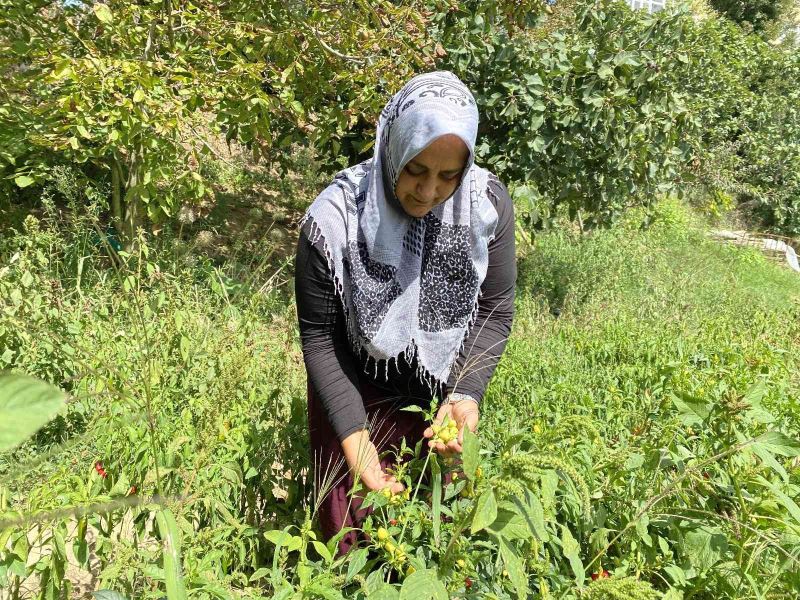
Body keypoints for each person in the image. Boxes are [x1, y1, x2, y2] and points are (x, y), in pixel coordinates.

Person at [294, 71, 516, 555]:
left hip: (437, 394)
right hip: (352, 387)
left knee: (425, 539)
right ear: (393, 146)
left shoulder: (486, 206)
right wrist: (354, 437)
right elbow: (319, 336)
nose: (429, 191)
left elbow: (494, 312)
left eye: (448, 175)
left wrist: (465, 393)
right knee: (348, 543)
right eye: (415, 169)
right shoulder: (334, 220)